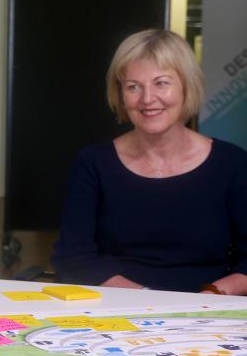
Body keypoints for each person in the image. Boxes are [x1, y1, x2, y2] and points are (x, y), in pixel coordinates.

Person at [51, 29, 247, 294]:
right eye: (133, 87)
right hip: (118, 309)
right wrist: (146, 299)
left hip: (208, 311)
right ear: (120, 94)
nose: (147, 98)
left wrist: (211, 296)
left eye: (161, 83)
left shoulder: (231, 163)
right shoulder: (93, 163)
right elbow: (73, 257)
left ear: (186, 86)